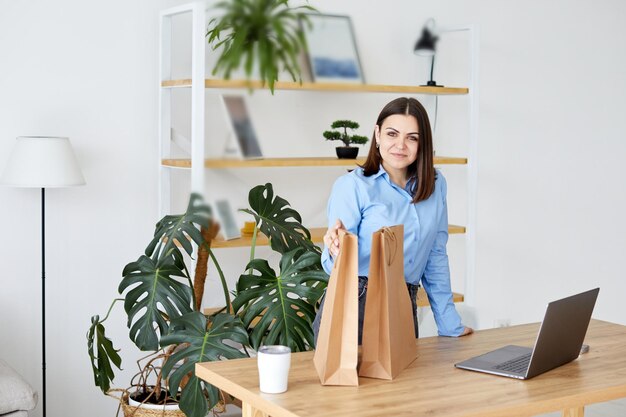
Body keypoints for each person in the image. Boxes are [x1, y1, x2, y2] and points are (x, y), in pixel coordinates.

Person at [313, 97, 473, 344]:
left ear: (422, 144)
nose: (400, 145)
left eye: (412, 137)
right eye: (392, 134)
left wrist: (449, 323)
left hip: (404, 303)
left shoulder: (436, 186)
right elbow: (333, 263)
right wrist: (336, 250)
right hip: (354, 304)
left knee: (406, 382)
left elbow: (435, 255)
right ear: (377, 135)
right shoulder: (353, 187)